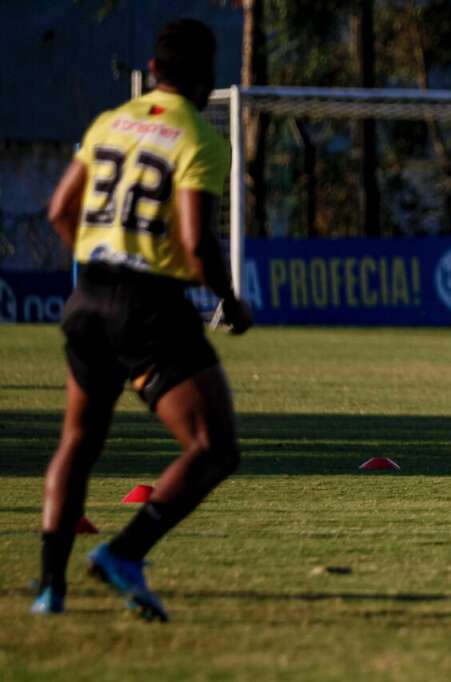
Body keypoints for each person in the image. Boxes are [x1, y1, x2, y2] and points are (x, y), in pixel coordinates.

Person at [31, 18, 252, 621]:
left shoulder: (108, 122)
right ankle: (124, 553)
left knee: (78, 441)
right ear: (207, 78)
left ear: (153, 72)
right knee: (213, 447)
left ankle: (50, 590)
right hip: (148, 305)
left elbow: (58, 211)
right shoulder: (198, 138)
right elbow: (197, 242)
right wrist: (230, 303)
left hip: (87, 297)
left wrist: (100, 258)